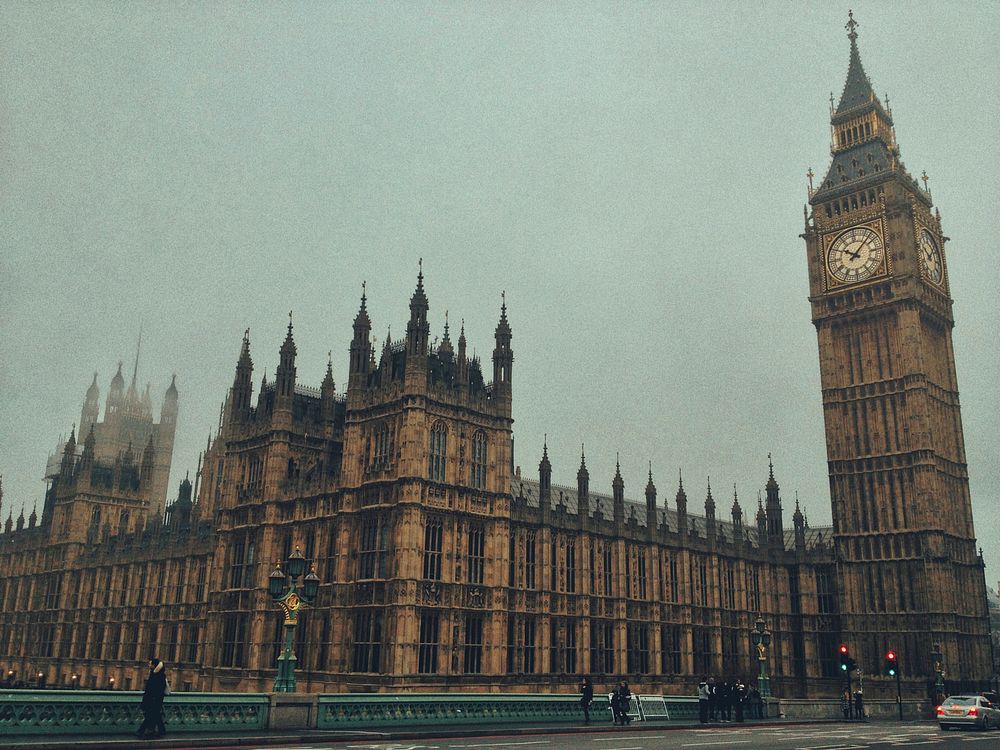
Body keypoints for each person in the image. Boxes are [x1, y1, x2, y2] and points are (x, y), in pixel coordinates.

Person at [136, 658, 168, 738]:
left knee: (150, 715)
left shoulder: (158, 675)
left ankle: (142, 731)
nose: (149, 665)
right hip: (154, 699)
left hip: (154, 700)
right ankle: (161, 730)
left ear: (154, 665)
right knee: (156, 715)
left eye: (150, 664)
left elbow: (156, 689)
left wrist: (151, 698)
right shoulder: (155, 674)